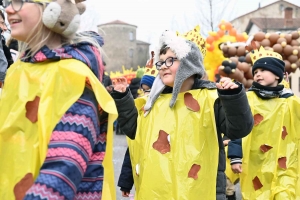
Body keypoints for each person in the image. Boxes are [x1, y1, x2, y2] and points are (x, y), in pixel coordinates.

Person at [111, 29, 253, 199]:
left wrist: (233, 98)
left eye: (170, 60)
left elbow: (239, 128)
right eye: (161, 62)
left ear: (189, 63)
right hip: (159, 191)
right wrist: (122, 98)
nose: (163, 66)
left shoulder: (211, 99)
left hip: (202, 190)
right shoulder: (152, 102)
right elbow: (134, 130)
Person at [0, 1, 117, 199]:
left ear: (53, 10)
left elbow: (65, 163)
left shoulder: (72, 76)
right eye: (8, 2)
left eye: (20, 1)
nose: (9, 9)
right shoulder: (16, 72)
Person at [228, 43, 300, 199]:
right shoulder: (247, 99)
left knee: (285, 193)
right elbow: (237, 128)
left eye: (263, 70)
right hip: (256, 161)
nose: (258, 74)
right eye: (256, 71)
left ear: (277, 75)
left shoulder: (290, 101)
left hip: (284, 162)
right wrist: (235, 157)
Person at [118, 52, 158, 197]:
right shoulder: (142, 113)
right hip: (144, 178)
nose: (144, 94)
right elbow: (133, 150)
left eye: (149, 90)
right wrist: (126, 182)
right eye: (143, 90)